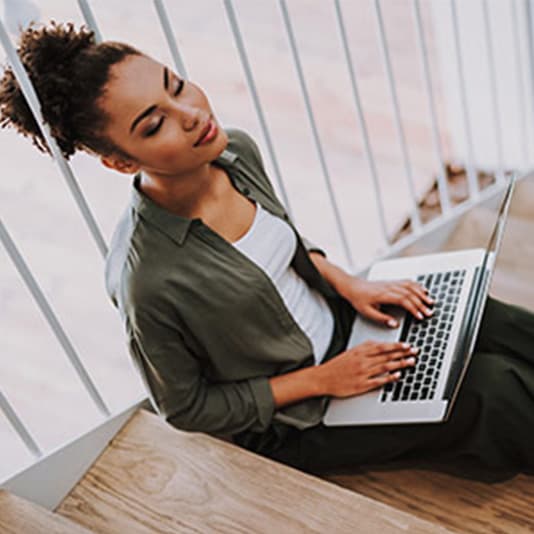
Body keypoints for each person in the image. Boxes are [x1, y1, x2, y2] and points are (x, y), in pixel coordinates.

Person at [1, 22, 533, 483]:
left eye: (176, 85)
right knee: (495, 390)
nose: (190, 113)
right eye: (154, 123)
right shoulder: (148, 280)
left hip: (346, 328)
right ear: (120, 163)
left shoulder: (233, 151)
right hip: (299, 418)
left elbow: (285, 247)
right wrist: (326, 379)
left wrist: (350, 284)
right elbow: (186, 409)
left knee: (498, 322)